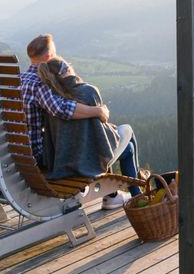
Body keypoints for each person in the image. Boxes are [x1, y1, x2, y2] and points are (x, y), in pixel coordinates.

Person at [20, 34, 141, 208]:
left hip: (18, 155)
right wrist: (98, 111)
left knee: (126, 146)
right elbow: (61, 109)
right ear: (48, 58)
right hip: (42, 159)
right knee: (127, 134)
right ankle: (136, 197)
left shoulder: (20, 79)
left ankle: (118, 195)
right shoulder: (41, 84)